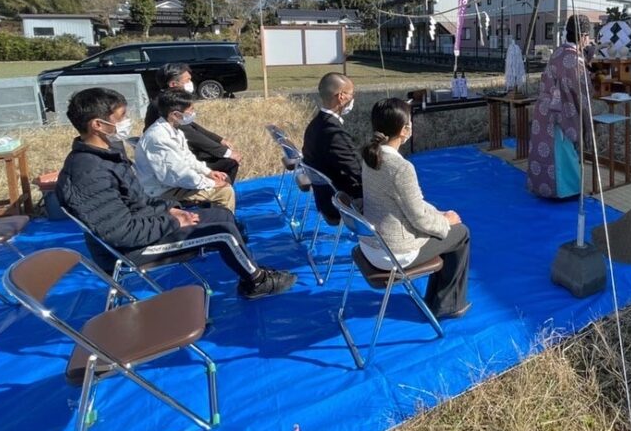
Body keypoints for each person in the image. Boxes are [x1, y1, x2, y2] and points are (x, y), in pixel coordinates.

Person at [56, 87, 295, 300]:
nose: (127, 122)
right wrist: (170, 221)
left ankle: (251, 271)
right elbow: (122, 233)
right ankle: (257, 282)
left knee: (223, 216)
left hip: (145, 224)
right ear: (97, 125)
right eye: (121, 118)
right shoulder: (89, 173)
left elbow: (136, 199)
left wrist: (167, 209)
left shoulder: (107, 153)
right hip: (130, 250)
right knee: (222, 232)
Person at [359, 98, 471, 319]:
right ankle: (446, 304)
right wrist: (445, 221)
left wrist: (438, 214)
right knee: (461, 233)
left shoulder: (370, 157)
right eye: (409, 122)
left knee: (444, 225)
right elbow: (419, 218)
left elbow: (413, 203)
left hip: (370, 245)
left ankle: (439, 299)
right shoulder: (401, 168)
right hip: (393, 252)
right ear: (403, 130)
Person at [135, 89, 237, 212]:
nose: (193, 113)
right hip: (162, 190)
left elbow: (188, 159)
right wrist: (209, 183)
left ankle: (216, 216)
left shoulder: (173, 130)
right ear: (175, 114)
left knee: (223, 178)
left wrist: (208, 172)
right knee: (224, 191)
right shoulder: (158, 138)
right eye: (191, 110)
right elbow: (176, 175)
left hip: (172, 183)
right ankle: (223, 225)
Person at [527, 14, 594, 199]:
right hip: (561, 113)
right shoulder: (574, 59)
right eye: (587, 37)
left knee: (545, 149)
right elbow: (582, 89)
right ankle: (566, 191)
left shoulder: (558, 52)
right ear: (583, 36)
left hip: (544, 108)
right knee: (562, 152)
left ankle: (542, 187)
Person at [144, 63, 242, 183]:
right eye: (187, 80)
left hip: (183, 150)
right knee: (230, 163)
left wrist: (219, 140)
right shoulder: (162, 105)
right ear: (173, 84)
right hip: (175, 158)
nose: (190, 84)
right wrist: (225, 153)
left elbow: (191, 126)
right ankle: (217, 195)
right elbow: (189, 133)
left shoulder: (169, 100)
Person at [302, 72, 361, 225]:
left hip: (323, 198)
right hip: (338, 201)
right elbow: (356, 172)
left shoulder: (315, 125)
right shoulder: (334, 133)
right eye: (351, 94)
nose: (353, 98)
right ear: (341, 96)